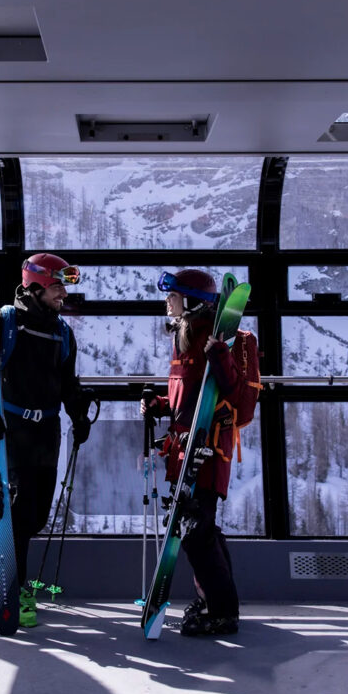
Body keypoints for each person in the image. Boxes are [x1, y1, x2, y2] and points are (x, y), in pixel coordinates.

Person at [0, 252, 93, 628]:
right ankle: (5, 592)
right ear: (37, 286)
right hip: (10, 430)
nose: (64, 295)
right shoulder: (3, 322)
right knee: (15, 514)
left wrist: (79, 414)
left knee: (34, 516)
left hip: (47, 432)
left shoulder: (63, 333)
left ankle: (4, 590)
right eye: (58, 287)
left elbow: (67, 382)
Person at [140, 269, 242, 636]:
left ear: (192, 301)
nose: (167, 302)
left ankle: (222, 612)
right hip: (182, 451)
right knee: (201, 530)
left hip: (206, 451)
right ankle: (215, 601)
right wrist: (160, 404)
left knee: (196, 532)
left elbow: (230, 390)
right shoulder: (183, 339)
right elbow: (188, 399)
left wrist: (220, 354)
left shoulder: (212, 338)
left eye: (173, 296)